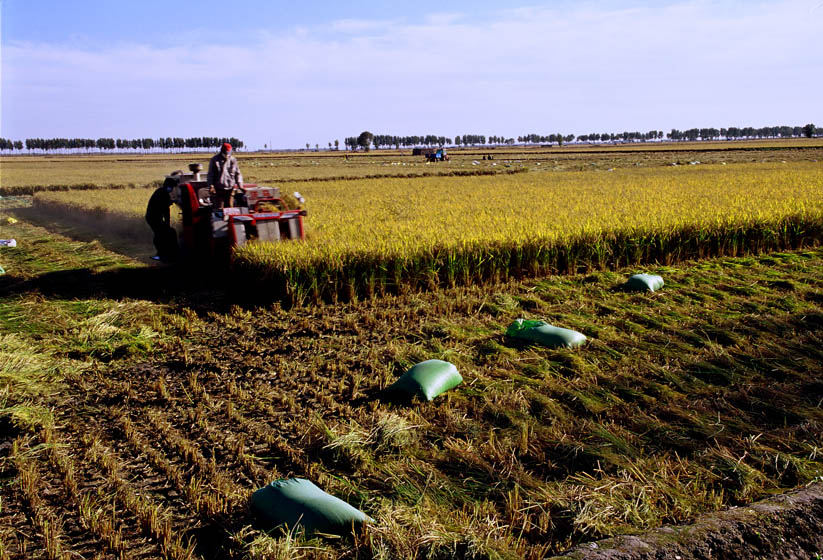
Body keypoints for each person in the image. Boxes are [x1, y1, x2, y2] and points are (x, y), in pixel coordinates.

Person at [145, 175, 180, 262]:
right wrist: (167, 224)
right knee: (164, 234)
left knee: (163, 233)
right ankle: (164, 254)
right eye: (171, 187)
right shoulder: (162, 193)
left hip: (153, 217)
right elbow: (166, 211)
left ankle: (164, 254)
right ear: (168, 187)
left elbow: (165, 208)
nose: (172, 189)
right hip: (153, 218)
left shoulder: (161, 192)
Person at [207, 143, 244, 209]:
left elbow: (238, 174)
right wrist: (211, 186)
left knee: (230, 207)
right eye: (226, 152)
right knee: (220, 208)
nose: (227, 154)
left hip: (230, 188)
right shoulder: (215, 160)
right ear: (222, 151)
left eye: (229, 152)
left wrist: (240, 185)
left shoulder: (233, 160)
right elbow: (210, 174)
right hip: (219, 189)